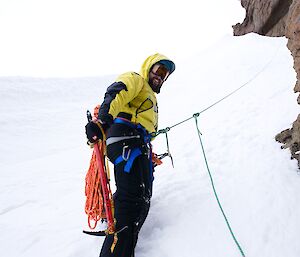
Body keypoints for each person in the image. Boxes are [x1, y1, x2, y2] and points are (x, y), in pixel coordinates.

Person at [85, 53, 175, 257]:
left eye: (165, 74)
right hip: (126, 140)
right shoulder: (136, 80)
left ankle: (122, 242)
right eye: (159, 70)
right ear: (148, 68)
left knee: (142, 199)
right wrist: (102, 121)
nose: (161, 77)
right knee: (132, 200)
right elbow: (117, 93)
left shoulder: (149, 96)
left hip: (136, 144)